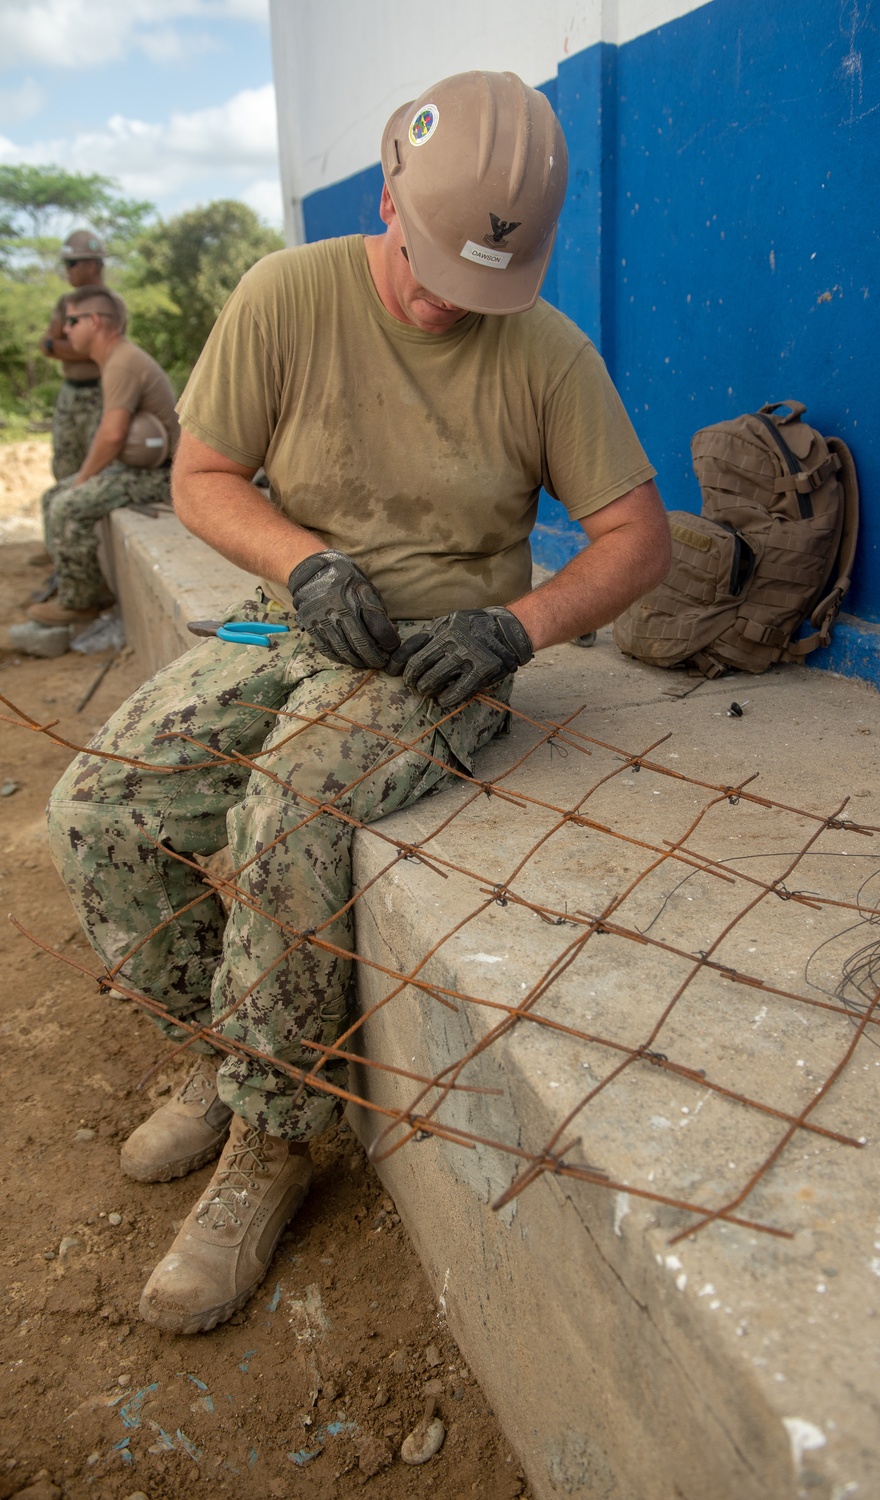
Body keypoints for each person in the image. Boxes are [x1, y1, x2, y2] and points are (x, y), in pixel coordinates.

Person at [46, 70, 672, 1336]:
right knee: (101, 807)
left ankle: (272, 1145)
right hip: (297, 610)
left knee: (289, 815)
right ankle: (231, 1055)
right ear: (387, 194)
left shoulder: (548, 351)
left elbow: (636, 540)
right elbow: (209, 475)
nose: (450, 301)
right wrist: (303, 561)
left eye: (483, 283)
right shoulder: (289, 294)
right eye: (432, 265)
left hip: (443, 651)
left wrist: (519, 625)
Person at [27, 286, 179, 630]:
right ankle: (81, 583)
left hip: (159, 475)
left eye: (72, 321)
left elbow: (111, 435)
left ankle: (81, 602)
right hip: (138, 468)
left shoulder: (121, 363)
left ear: (95, 322)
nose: (65, 330)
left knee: (67, 504)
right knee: (53, 495)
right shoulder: (115, 359)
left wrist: (83, 479)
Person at [39, 230, 127, 482]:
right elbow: (46, 345)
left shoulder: (112, 303)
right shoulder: (65, 302)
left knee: (99, 468)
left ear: (92, 264)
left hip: (101, 393)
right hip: (70, 392)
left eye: (72, 263)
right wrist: (81, 347)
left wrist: (63, 346)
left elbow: (104, 350)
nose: (67, 270)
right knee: (65, 464)